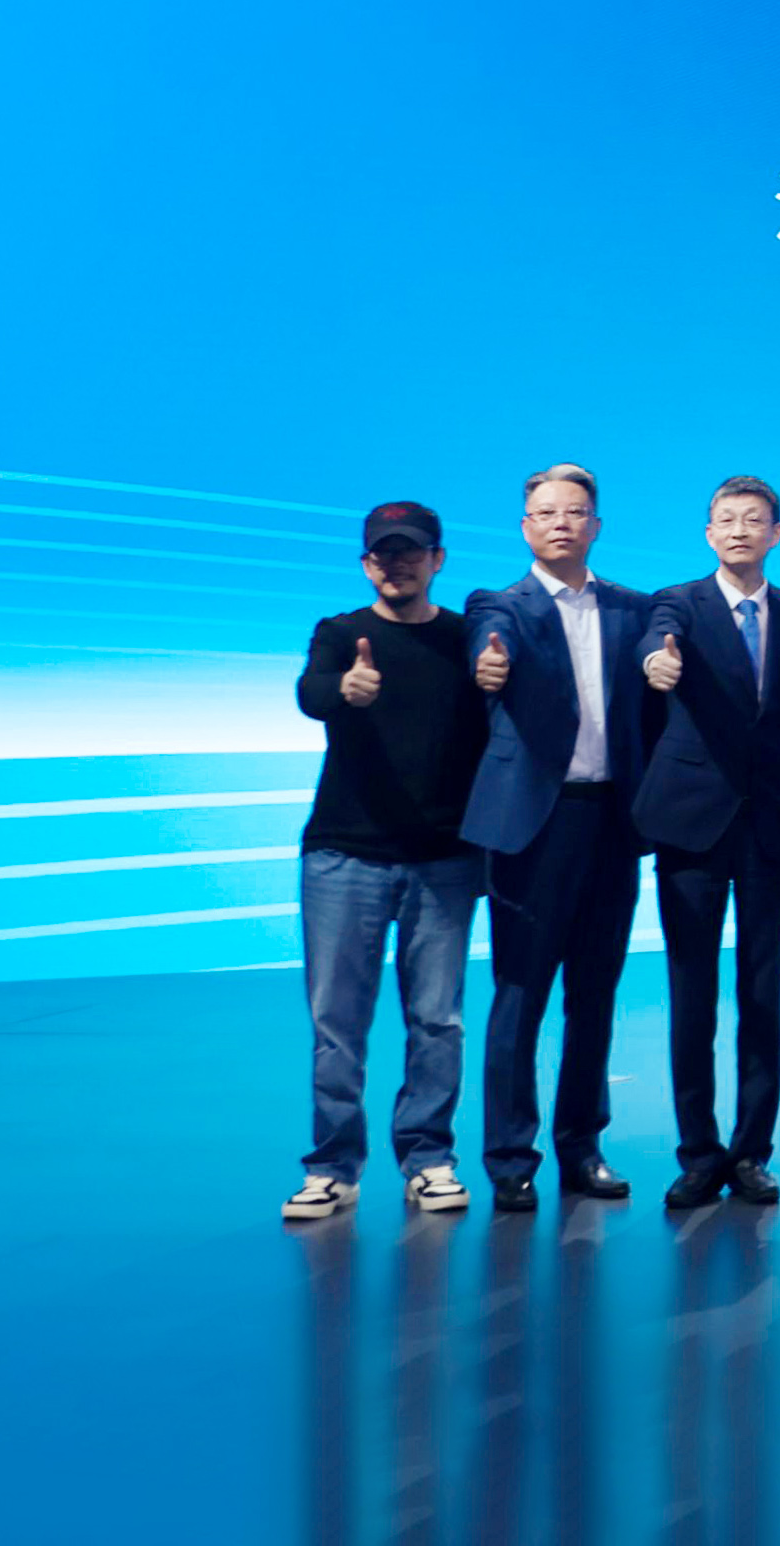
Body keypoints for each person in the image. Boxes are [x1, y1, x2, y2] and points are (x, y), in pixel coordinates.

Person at [283, 501, 489, 1223]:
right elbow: (311, 693)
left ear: (438, 559)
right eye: (382, 554)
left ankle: (429, 1159)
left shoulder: (465, 640)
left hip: (443, 859)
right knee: (337, 1022)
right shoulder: (341, 635)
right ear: (366, 563)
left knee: (438, 1020)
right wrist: (345, 690)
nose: (395, 564)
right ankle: (332, 1168)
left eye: (410, 552)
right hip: (345, 856)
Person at [461, 464, 659, 1212]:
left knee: (595, 994)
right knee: (520, 993)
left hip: (611, 820)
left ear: (596, 526)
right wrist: (489, 662)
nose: (561, 524)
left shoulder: (633, 609)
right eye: (545, 513)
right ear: (526, 527)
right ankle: (511, 1157)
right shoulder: (499, 605)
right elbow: (490, 642)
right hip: (533, 827)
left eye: (575, 513)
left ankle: (583, 1147)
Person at [635, 477, 780, 1210]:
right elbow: (655, 645)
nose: (740, 530)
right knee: (691, 992)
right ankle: (698, 1152)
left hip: (773, 824)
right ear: (709, 533)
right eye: (727, 520)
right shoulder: (677, 604)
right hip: (691, 824)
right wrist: (655, 663)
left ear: (776, 534)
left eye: (754, 520)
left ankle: (752, 1153)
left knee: (762, 992)